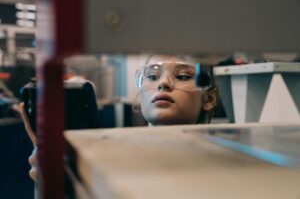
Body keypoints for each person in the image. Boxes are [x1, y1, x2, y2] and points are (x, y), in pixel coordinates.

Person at [19, 54, 218, 181]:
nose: (163, 84)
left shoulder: (221, 166)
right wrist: (50, 183)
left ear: (209, 97)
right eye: (152, 76)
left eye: (182, 76)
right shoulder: (108, 158)